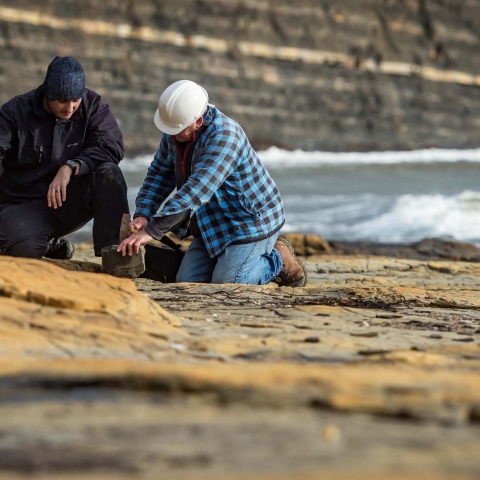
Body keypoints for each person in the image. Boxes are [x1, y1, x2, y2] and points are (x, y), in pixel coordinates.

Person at [118, 80, 306, 287]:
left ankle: (279, 259)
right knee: (188, 283)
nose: (171, 135)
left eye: (176, 130)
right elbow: (159, 175)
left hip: (249, 223)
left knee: (230, 282)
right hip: (211, 224)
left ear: (198, 121)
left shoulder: (225, 136)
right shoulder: (176, 130)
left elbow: (195, 192)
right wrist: (144, 213)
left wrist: (152, 231)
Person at [0, 56, 129, 259]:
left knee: (109, 174)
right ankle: (46, 244)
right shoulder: (15, 111)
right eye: (62, 101)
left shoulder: (94, 105)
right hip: (23, 204)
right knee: (25, 252)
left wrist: (72, 166)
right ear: (47, 94)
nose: (69, 108)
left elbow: (112, 146)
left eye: (75, 100)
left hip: (69, 200)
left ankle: (116, 256)